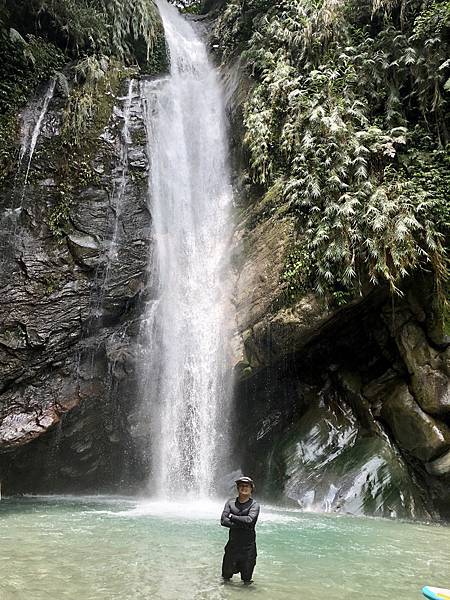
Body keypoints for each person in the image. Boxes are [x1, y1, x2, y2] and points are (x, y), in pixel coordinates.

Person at [220, 476, 260, 585]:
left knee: (246, 581)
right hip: (232, 546)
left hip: (248, 549)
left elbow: (250, 520)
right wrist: (242, 524)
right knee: (225, 578)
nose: (244, 488)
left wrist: (232, 516)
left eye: (247, 486)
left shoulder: (254, 505)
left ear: (251, 488)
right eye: (241, 486)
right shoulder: (230, 502)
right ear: (238, 488)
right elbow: (223, 521)